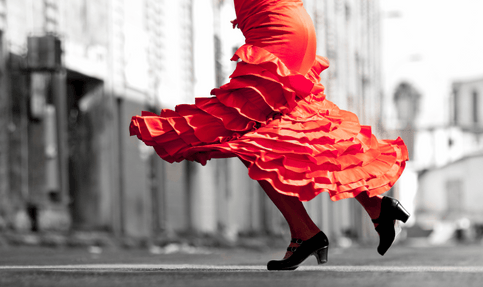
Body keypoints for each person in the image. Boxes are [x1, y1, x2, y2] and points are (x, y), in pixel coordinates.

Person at [130, 0, 410, 271]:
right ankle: (374, 208)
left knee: (248, 136)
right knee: (301, 131)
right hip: (288, 24)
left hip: (276, 32)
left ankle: (307, 232)